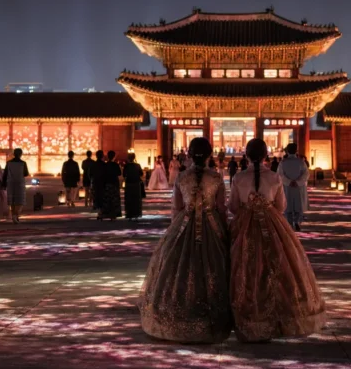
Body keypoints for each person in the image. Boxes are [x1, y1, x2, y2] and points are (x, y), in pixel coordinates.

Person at [229, 138, 326, 342]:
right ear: (266, 156)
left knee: (244, 266)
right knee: (276, 264)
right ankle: (276, 312)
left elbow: (233, 207)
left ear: (246, 155)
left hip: (245, 224)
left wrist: (249, 210)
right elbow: (280, 206)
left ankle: (243, 311)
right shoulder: (274, 177)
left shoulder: (238, 178)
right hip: (271, 224)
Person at [139, 137, 231, 343]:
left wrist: (176, 231)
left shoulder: (181, 178)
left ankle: (181, 310)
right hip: (211, 224)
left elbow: (176, 208)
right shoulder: (215, 178)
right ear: (210, 155)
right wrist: (223, 231)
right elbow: (221, 209)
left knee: (181, 268)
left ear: (189, 155)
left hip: (184, 223)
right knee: (212, 267)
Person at [278, 143, 309, 231]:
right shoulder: (301, 161)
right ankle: (297, 222)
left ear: (287, 151)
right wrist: (298, 182)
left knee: (288, 205)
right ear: (296, 151)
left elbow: (280, 174)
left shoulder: (283, 163)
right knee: (298, 205)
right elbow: (306, 174)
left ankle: (290, 223)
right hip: (298, 187)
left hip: (287, 187)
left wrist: (288, 182)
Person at [2, 148, 29, 223]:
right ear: (21, 154)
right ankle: (16, 215)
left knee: (12, 200)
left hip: (10, 183)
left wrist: (3, 184)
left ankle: (13, 214)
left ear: (14, 154)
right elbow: (26, 173)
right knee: (19, 200)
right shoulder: (23, 163)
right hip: (20, 183)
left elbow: (5, 174)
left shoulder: (9, 163)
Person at [95, 150, 122, 220]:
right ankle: (113, 214)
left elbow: (103, 174)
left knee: (107, 200)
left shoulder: (105, 165)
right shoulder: (115, 165)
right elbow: (119, 173)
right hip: (114, 184)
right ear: (114, 156)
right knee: (114, 200)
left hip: (107, 184)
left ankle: (105, 213)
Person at [123, 152, 144, 220]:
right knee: (136, 199)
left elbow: (124, 175)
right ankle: (136, 214)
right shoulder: (137, 165)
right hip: (136, 183)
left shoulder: (126, 166)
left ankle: (129, 214)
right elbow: (141, 173)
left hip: (129, 183)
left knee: (129, 199)